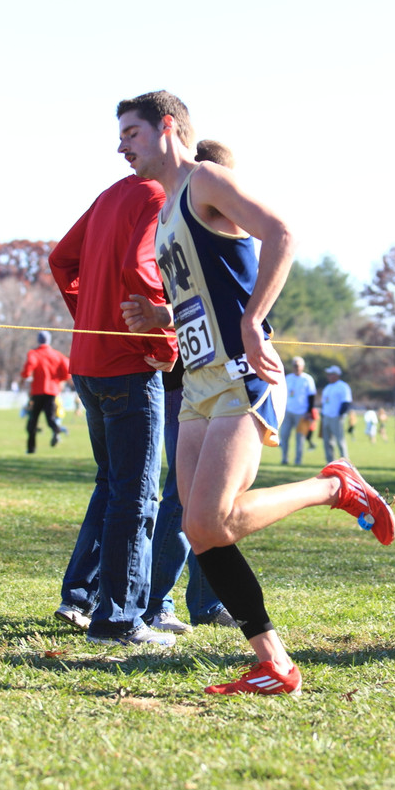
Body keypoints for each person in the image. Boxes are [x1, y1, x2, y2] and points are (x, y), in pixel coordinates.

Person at [117, 89, 395, 696]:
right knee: (202, 529)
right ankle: (273, 662)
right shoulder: (165, 212)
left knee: (213, 518)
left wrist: (254, 320)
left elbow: (282, 233)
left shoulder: (206, 181)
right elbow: (206, 296)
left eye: (131, 134)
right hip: (197, 383)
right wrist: (160, 316)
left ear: (167, 128)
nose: (121, 147)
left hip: (243, 372)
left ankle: (333, 486)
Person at [49, 173, 179, 647]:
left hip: (88, 363)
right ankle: (119, 620)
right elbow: (139, 266)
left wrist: (90, 317)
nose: (122, 147)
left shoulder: (110, 194)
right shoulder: (156, 192)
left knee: (112, 486)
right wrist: (162, 341)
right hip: (127, 366)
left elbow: (61, 260)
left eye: (129, 134)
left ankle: (79, 598)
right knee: (137, 494)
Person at [144, 139, 239, 634]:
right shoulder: (178, 214)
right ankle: (155, 602)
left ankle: (204, 602)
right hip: (189, 385)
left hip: (221, 379)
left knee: (213, 500)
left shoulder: (212, 229)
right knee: (184, 501)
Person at [20, 331, 70, 453]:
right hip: (52, 391)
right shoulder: (57, 355)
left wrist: (25, 376)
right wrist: (58, 380)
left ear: (38, 340)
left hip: (37, 391)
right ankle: (57, 430)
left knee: (32, 421)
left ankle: (31, 448)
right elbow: (67, 370)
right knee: (51, 419)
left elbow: (28, 370)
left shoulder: (34, 354)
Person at [279, 356, 316, 465]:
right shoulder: (288, 378)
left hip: (302, 413)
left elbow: (312, 396)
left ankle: (298, 460)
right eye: (294, 366)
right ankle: (284, 458)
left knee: (300, 438)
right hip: (288, 411)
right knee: (284, 435)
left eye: (298, 366)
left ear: (302, 367)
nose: (296, 368)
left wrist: (309, 412)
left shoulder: (307, 379)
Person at [320, 365, 353, 463]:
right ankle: (330, 462)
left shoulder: (343, 386)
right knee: (327, 442)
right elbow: (324, 403)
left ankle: (345, 462)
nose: (328, 376)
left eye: (331, 374)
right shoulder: (327, 387)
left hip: (336, 417)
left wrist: (340, 415)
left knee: (340, 441)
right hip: (326, 417)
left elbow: (346, 402)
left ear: (336, 375)